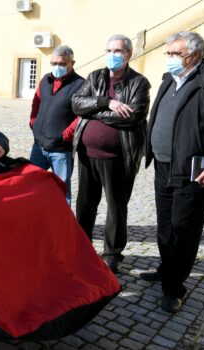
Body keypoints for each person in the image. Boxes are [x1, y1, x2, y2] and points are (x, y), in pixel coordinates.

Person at [140, 32, 204, 313]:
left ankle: (174, 288)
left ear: (195, 55)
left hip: (194, 174)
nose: (170, 58)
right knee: (164, 227)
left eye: (176, 54)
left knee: (183, 232)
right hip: (163, 167)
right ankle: (166, 269)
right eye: (169, 54)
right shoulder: (168, 80)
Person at [71, 34, 151, 273]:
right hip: (87, 154)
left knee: (116, 206)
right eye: (109, 50)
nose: (112, 55)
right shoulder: (96, 76)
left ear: (128, 54)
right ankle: (81, 246)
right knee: (85, 203)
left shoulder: (139, 82)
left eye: (117, 51)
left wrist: (92, 111)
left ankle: (112, 253)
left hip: (118, 157)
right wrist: (107, 103)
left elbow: (134, 116)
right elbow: (76, 104)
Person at [28, 45, 84, 206]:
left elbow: (82, 114)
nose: (57, 67)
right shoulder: (46, 79)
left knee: (62, 190)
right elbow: (36, 102)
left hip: (61, 150)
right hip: (39, 146)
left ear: (72, 63)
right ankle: (36, 218)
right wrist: (33, 121)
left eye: (62, 64)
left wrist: (67, 133)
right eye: (54, 63)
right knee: (32, 184)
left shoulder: (80, 84)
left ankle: (61, 226)